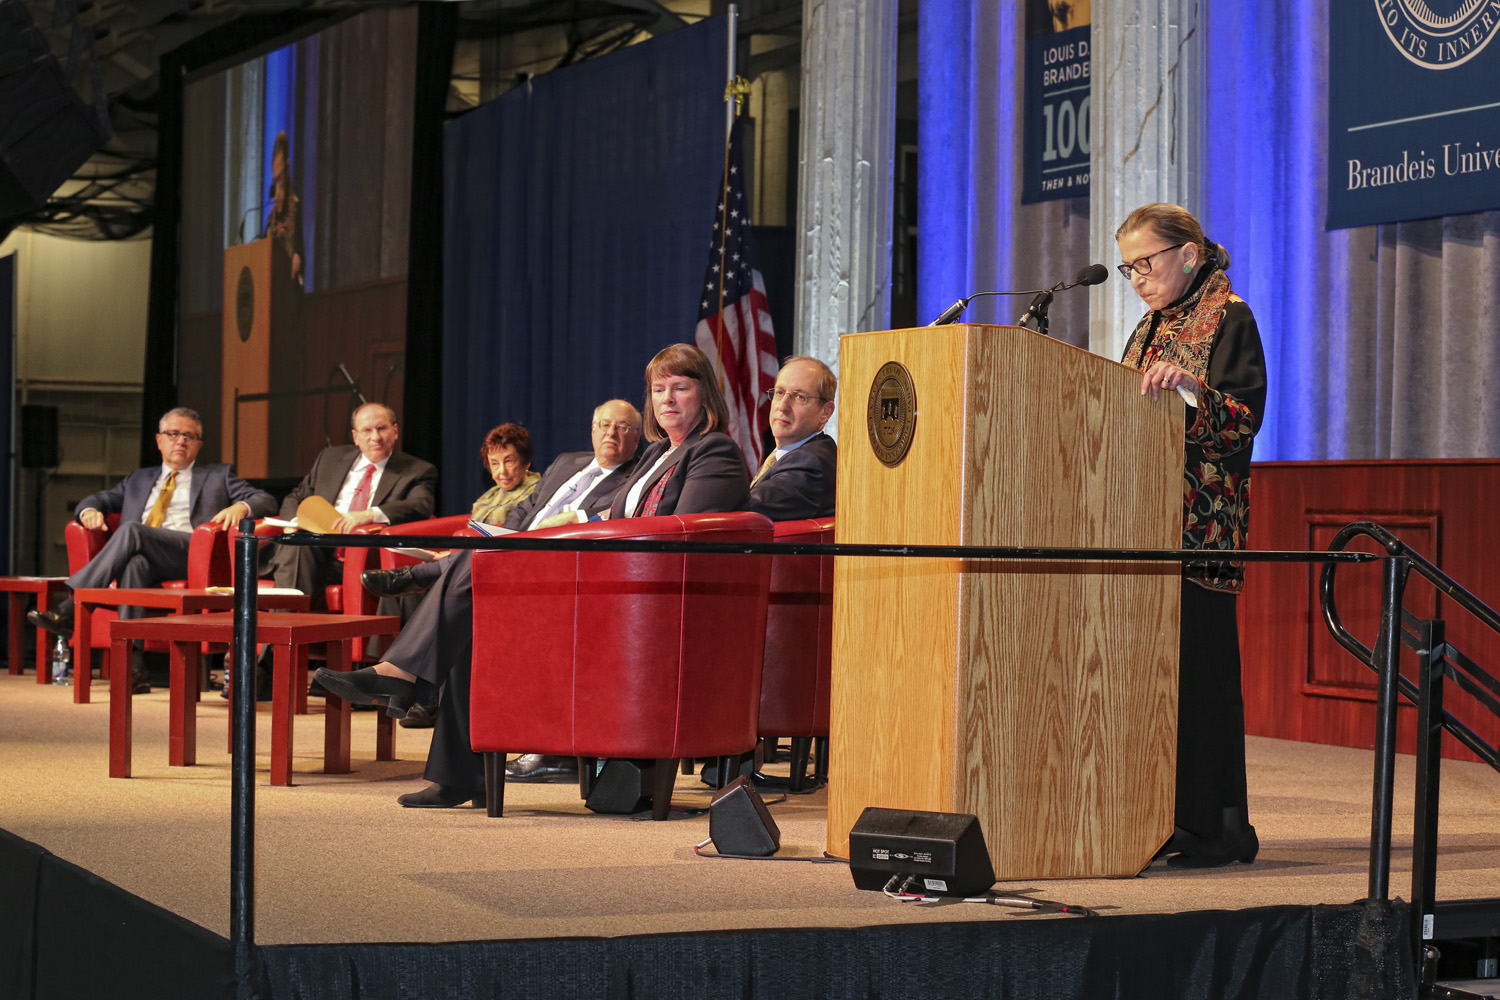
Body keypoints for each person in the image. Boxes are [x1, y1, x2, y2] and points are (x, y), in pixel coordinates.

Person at [315, 345, 748, 808]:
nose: (667, 399)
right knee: (475, 592)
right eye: (658, 389)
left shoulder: (714, 451)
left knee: (478, 568)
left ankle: (403, 676)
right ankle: (455, 770)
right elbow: (620, 517)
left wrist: (576, 528)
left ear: (705, 397)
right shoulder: (657, 453)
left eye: (680, 388)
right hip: (613, 582)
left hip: (643, 602)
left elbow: (676, 537)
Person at [1115, 203, 1267, 869]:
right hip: (1142, 524)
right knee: (1150, 681)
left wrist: (1191, 391)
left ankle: (1215, 827)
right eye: (1128, 269)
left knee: (1198, 681)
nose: (1138, 278)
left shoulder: (1231, 317)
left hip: (1201, 530)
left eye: (1145, 263)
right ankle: (1156, 815)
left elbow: (1243, 420)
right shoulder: (1151, 325)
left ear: (1188, 252)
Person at [358, 400, 643, 736]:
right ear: (592, 429)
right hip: (512, 551)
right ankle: (416, 688)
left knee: (463, 565)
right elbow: (527, 508)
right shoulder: (569, 463)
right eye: (605, 424)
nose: (611, 432)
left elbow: (612, 520)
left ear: (637, 437)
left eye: (622, 426)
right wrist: (506, 536)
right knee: (472, 563)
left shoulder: (635, 478)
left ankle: (404, 662)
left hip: (556, 565)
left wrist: (567, 520)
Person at [27, 407, 276, 690]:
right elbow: (100, 498)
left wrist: (241, 505)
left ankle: (73, 606)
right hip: (149, 554)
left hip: (190, 553)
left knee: (132, 530)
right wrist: (88, 511)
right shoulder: (138, 479)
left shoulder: (218, 475)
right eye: (173, 434)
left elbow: (265, 500)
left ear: (198, 445)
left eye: (189, 436)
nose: (180, 441)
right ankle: (134, 670)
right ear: (159, 440)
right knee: (134, 565)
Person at [266, 402, 437, 605]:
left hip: (364, 555)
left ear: (395, 431)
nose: (376, 437)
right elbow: (296, 496)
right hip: (317, 549)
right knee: (298, 544)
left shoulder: (417, 470)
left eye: (381, 428)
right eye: (367, 430)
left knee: (297, 552)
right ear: (356, 437)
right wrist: (297, 521)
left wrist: (369, 514)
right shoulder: (329, 458)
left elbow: (421, 505)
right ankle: (285, 629)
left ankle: (283, 630)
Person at [745, 356, 838, 521]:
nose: (782, 406)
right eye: (780, 392)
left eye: (800, 397)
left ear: (825, 412)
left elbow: (747, 507)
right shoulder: (787, 455)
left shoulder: (811, 463)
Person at [264, 130, 304, 285]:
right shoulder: (271, 214)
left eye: (279, 177)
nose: (277, 183)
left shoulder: (294, 206)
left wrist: (297, 255)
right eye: (275, 179)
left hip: (287, 285)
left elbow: (298, 246)